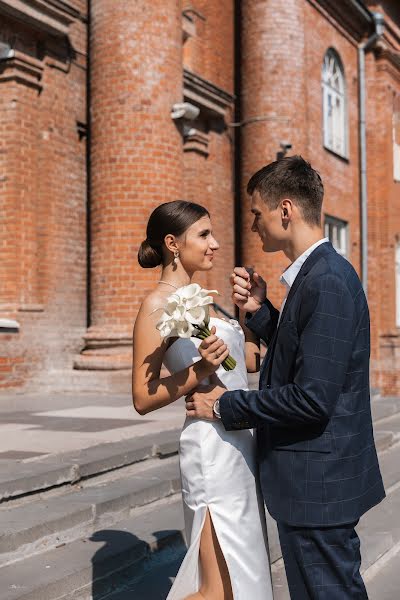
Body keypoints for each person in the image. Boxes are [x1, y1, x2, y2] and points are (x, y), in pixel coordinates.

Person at [185, 156, 386, 599]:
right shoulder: (317, 275)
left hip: (319, 485)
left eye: (257, 213)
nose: (253, 225)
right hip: (316, 481)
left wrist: (223, 404)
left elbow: (311, 397)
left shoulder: (326, 280)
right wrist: (262, 313)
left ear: (286, 210)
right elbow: (309, 352)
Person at [132, 200, 274, 600]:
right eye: (204, 234)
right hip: (211, 449)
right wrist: (195, 374)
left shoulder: (203, 298)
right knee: (216, 590)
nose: (215, 244)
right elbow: (142, 397)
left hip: (242, 444)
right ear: (173, 243)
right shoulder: (157, 305)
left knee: (241, 579)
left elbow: (243, 364)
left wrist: (248, 314)